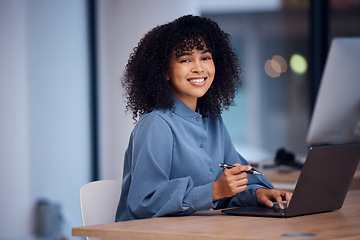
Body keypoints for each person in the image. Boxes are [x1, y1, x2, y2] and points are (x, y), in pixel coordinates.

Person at [116, 15, 292, 222]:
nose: (199, 68)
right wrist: (214, 191)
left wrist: (257, 193)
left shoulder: (212, 120)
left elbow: (236, 182)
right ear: (165, 71)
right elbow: (143, 203)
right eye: (185, 60)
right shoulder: (156, 125)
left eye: (206, 57)